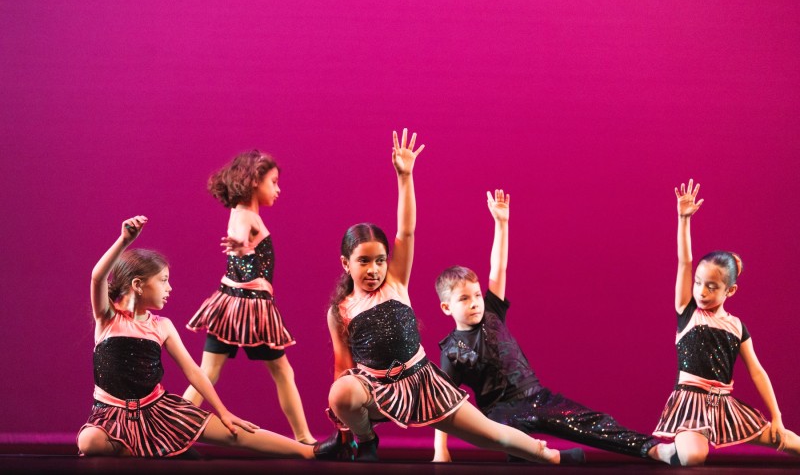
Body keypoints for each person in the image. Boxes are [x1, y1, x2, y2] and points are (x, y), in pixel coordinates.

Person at [325, 129, 585, 464]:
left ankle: (551, 457)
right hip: (375, 391)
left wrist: (405, 177)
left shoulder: (396, 282)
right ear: (346, 264)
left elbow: (407, 230)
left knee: (494, 436)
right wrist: (345, 423)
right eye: (364, 262)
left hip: (422, 383)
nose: (374, 269)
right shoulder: (341, 310)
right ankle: (366, 440)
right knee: (341, 392)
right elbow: (342, 367)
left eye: (379, 260)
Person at [433, 189, 676, 464]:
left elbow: (497, 269)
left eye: (476, 295)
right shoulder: (453, 349)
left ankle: (654, 449)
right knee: (515, 443)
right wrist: (441, 450)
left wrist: (501, 224)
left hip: (536, 395)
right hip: (500, 412)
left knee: (591, 422)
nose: (475, 302)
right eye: (464, 299)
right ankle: (556, 458)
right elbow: (445, 404)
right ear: (446, 307)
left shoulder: (492, 311)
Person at [76, 215, 345, 458]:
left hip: (157, 409)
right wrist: (125, 240)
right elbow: (97, 277)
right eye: (163, 280)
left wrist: (223, 411)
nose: (170, 288)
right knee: (88, 441)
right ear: (137, 285)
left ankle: (309, 451)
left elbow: (194, 371)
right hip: (111, 414)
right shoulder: (107, 318)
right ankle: (141, 448)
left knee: (233, 432)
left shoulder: (162, 325)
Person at [652, 179, 800, 466]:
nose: (702, 292)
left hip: (724, 405)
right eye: (698, 283)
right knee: (693, 456)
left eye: (711, 287)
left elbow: (757, 371)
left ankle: (779, 432)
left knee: (791, 441)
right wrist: (684, 219)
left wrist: (778, 418)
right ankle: (665, 451)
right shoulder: (688, 311)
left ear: (729, 291)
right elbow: (685, 261)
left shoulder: (736, 327)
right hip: (690, 403)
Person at [185, 150, 314, 445]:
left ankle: (174, 432)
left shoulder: (244, 214)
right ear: (255, 180)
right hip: (248, 309)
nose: (278, 189)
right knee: (282, 371)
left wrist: (243, 247)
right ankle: (305, 438)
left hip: (232, 304)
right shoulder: (245, 216)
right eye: (274, 182)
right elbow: (241, 238)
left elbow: (243, 239)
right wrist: (241, 247)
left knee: (209, 373)